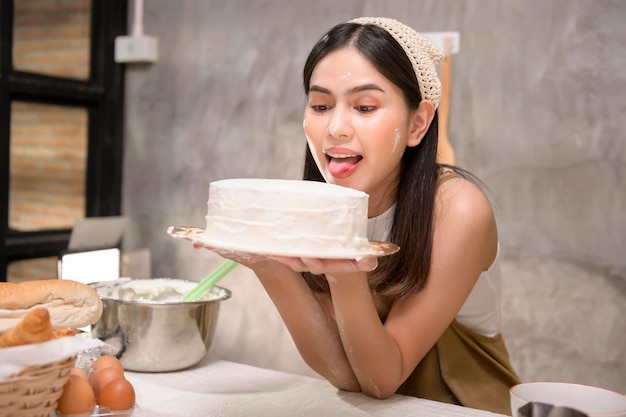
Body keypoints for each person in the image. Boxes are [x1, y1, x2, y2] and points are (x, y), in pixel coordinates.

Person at [203, 17, 520, 415]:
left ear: (417, 123)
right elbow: (347, 375)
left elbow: (383, 378)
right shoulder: (319, 205)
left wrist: (344, 273)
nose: (335, 128)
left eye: (364, 107)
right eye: (320, 106)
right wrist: (268, 265)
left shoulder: (458, 210)